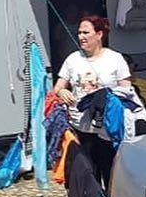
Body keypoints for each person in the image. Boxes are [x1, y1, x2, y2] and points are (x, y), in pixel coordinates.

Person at [53, 15, 132, 187]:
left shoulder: (115, 59)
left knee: (110, 171)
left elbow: (127, 91)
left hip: (108, 128)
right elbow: (57, 88)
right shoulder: (72, 59)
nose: (81, 36)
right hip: (81, 127)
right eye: (79, 32)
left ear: (99, 34)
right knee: (88, 174)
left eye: (86, 32)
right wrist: (63, 91)